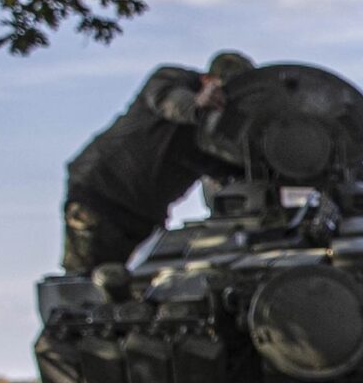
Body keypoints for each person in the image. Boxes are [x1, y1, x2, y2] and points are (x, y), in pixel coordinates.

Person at [63, 51, 251, 273]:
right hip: (100, 195)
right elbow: (169, 101)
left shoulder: (211, 134)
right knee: (90, 283)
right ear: (207, 80)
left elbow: (225, 168)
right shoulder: (171, 80)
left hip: (142, 218)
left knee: (134, 291)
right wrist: (197, 104)